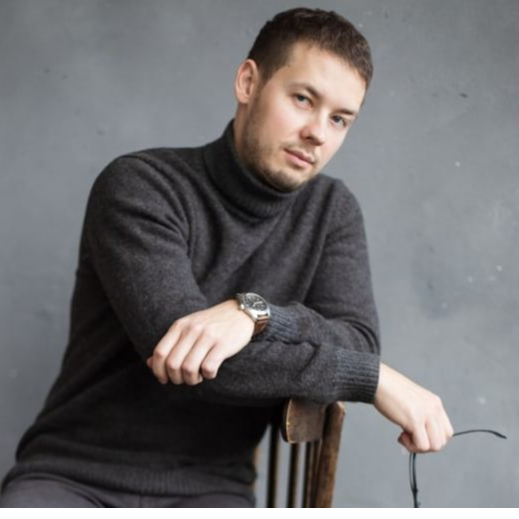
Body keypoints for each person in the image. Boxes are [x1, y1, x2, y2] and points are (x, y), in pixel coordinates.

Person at [0, 7, 453, 508]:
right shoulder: (140, 186)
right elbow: (188, 361)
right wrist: (370, 377)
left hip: (213, 489)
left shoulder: (331, 211)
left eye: (339, 119)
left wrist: (257, 315)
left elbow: (357, 338)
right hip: (74, 478)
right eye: (303, 99)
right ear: (248, 82)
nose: (318, 133)